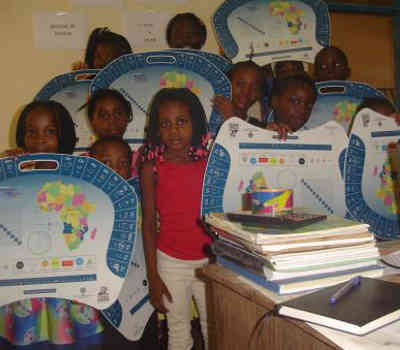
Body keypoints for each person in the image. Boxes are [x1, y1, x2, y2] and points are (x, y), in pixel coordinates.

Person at [0, 101, 104, 349]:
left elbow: (85, 227)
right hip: (24, 279)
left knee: (70, 335)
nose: (39, 140)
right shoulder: (12, 174)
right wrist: (8, 172)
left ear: (64, 135)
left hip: (68, 278)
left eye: (50, 132)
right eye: (31, 132)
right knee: (27, 331)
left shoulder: (79, 174)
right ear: (21, 136)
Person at [140, 88, 211, 350]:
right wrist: (153, 275)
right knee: (179, 333)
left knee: (213, 329)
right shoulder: (152, 168)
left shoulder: (210, 163)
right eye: (165, 124)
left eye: (181, 121)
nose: (174, 131)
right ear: (157, 129)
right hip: (170, 262)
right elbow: (147, 225)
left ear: (195, 123)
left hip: (209, 262)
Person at [89, 136, 161, 350]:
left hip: (143, 285)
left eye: (122, 163)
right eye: (106, 163)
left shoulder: (139, 198)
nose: (115, 170)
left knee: (147, 338)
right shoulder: (83, 204)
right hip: (106, 294)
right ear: (92, 166)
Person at [213, 60, 266, 127]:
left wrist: (231, 118)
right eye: (240, 84)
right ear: (226, 82)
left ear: (259, 94)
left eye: (254, 88)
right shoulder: (207, 114)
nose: (246, 92)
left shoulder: (257, 128)